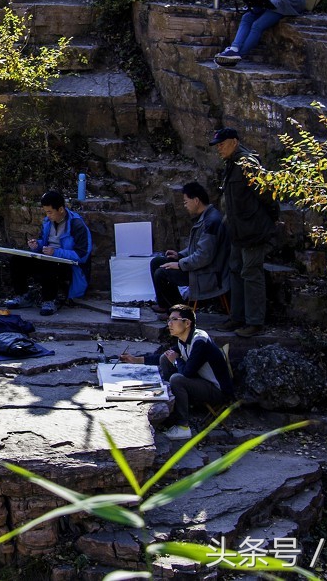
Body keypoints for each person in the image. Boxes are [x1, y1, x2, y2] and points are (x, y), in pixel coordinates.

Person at [121, 305, 234, 441]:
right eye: (169, 320)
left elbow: (187, 373)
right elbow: (165, 356)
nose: (170, 324)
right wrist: (136, 359)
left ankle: (183, 427)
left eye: (174, 320)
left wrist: (176, 360)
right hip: (201, 382)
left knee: (176, 379)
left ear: (187, 323)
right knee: (165, 358)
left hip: (218, 391)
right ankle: (173, 410)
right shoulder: (183, 340)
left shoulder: (200, 341)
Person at [210, 128, 278, 337]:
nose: (219, 148)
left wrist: (267, 222)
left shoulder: (248, 164)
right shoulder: (232, 164)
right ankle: (237, 318)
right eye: (217, 145)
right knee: (235, 271)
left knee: (251, 274)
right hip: (237, 232)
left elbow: (268, 195)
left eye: (221, 144)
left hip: (253, 231)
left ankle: (255, 323)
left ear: (234, 142)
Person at [4, 190, 93, 315]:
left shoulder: (77, 224)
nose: (47, 215)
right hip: (48, 256)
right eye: (46, 212)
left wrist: (55, 253)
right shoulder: (47, 222)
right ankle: (23, 296)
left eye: (50, 212)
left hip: (67, 265)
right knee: (17, 260)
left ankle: (49, 300)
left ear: (60, 209)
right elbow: (44, 242)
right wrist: (37, 245)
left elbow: (82, 255)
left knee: (50, 265)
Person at [149, 181, 229, 312]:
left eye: (186, 202)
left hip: (207, 273)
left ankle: (179, 311)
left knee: (162, 273)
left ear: (196, 200)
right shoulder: (205, 217)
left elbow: (204, 256)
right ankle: (165, 305)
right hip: (198, 266)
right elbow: (196, 247)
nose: (185, 205)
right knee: (157, 262)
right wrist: (179, 255)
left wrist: (180, 264)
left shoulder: (211, 222)